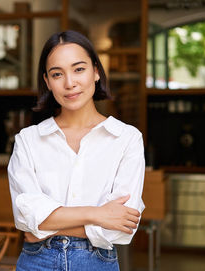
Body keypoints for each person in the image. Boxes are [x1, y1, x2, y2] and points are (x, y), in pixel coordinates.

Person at [8, 30, 145, 271]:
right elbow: (26, 218)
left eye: (79, 69)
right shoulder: (28, 140)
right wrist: (97, 214)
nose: (69, 83)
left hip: (97, 263)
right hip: (36, 262)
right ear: (47, 82)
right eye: (57, 74)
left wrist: (46, 225)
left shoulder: (126, 139)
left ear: (96, 71)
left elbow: (122, 228)